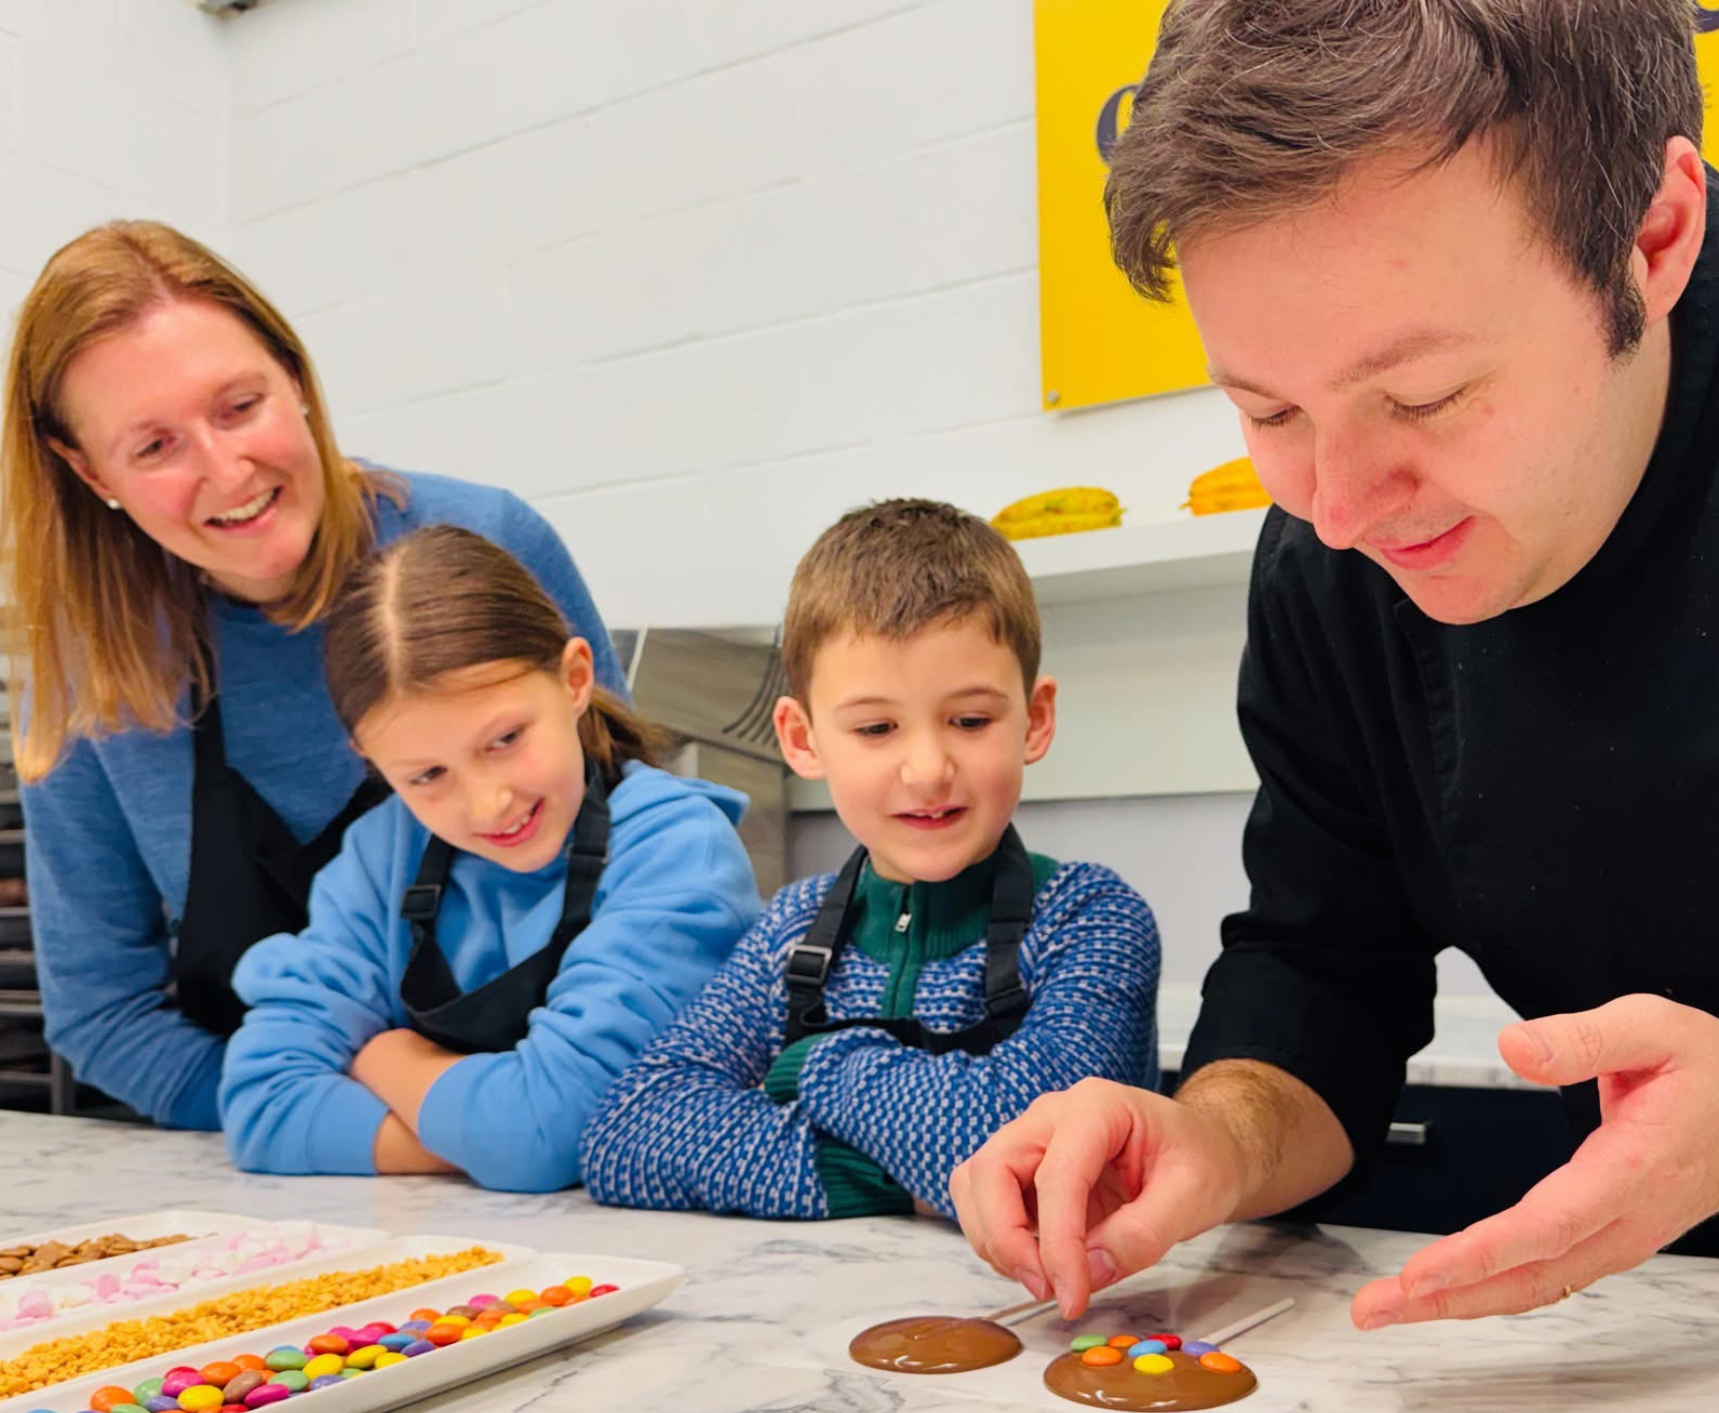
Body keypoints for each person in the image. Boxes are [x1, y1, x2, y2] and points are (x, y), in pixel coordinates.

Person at [951, 0, 1719, 1330]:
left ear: (1650, 240)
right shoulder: (1321, 563)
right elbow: (1318, 973)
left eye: (1420, 396)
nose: (1342, 506)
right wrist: (1211, 1142)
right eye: (1265, 410)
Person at [2, 221, 626, 1131]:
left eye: (239, 405)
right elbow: (107, 1015)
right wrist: (338, 1126)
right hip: (278, 1160)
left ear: (294, 377)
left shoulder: (488, 540)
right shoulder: (88, 677)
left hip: (566, 1119)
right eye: (154, 447)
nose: (226, 470)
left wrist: (497, 1117)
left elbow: (630, 870)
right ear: (87, 469)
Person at [580, 499, 1160, 1219]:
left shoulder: (1090, 919)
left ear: (1033, 720)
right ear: (802, 738)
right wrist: (898, 1178)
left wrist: (815, 1065)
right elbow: (627, 1131)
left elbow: (1041, 1159)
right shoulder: (791, 927)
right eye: (876, 727)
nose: (925, 768)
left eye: (970, 720)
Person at [219, 526, 759, 1190]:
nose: (486, 804)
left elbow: (548, 1134)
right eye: (425, 775)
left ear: (574, 678)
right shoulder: (382, 854)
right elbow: (261, 1107)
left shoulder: (673, 848)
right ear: (373, 763)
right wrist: (490, 1132)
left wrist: (386, 1056)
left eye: (505, 738)